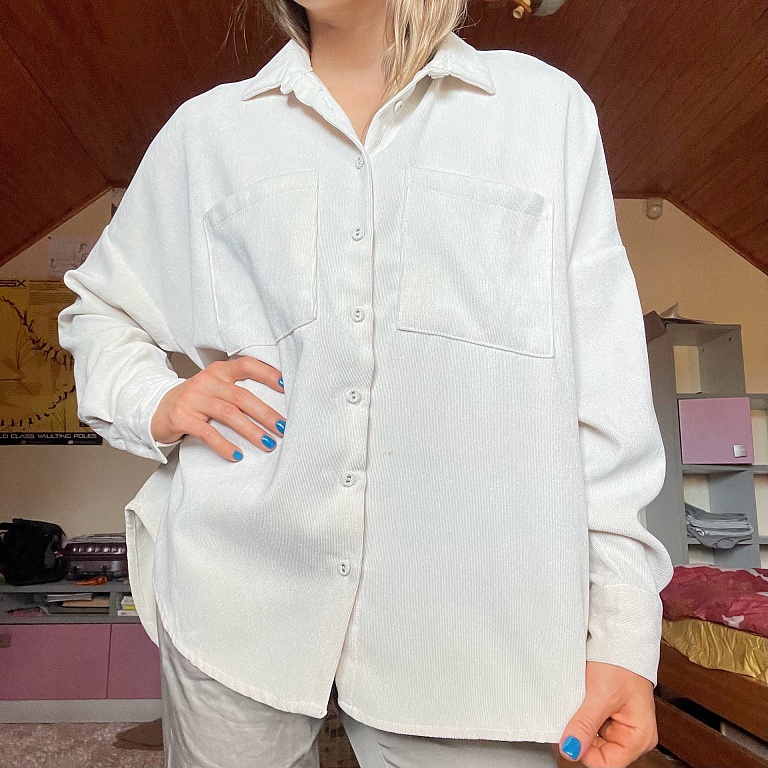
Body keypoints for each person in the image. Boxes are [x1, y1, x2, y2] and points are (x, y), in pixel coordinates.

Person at [57, 1, 675, 766]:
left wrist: (623, 632)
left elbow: (606, 399)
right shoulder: (206, 134)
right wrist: (155, 399)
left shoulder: (543, 113)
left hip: (480, 633)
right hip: (234, 600)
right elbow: (103, 309)